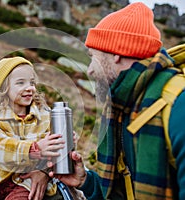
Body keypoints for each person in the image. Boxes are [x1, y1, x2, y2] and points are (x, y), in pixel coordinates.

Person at [48, 2, 185, 200]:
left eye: (92, 56)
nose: (89, 70)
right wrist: (86, 181)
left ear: (116, 53)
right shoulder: (124, 106)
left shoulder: (177, 106)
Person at [0, 56, 66, 200]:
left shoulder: (46, 116)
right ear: (4, 88)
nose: (29, 88)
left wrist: (66, 142)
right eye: (20, 83)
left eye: (32, 82)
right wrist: (33, 149)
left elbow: (57, 149)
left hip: (27, 182)